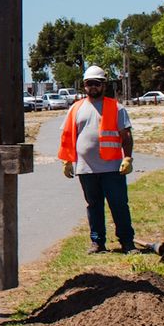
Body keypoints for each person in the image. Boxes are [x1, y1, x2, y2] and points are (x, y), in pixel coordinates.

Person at [57, 65, 136, 253]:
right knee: (94, 207)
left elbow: (126, 136)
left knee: (119, 206)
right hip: (86, 169)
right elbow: (68, 135)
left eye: (96, 83)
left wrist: (128, 158)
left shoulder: (116, 107)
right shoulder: (76, 108)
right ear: (84, 85)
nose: (92, 87)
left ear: (103, 85)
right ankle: (98, 242)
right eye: (88, 83)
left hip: (112, 168)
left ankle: (127, 242)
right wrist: (67, 160)